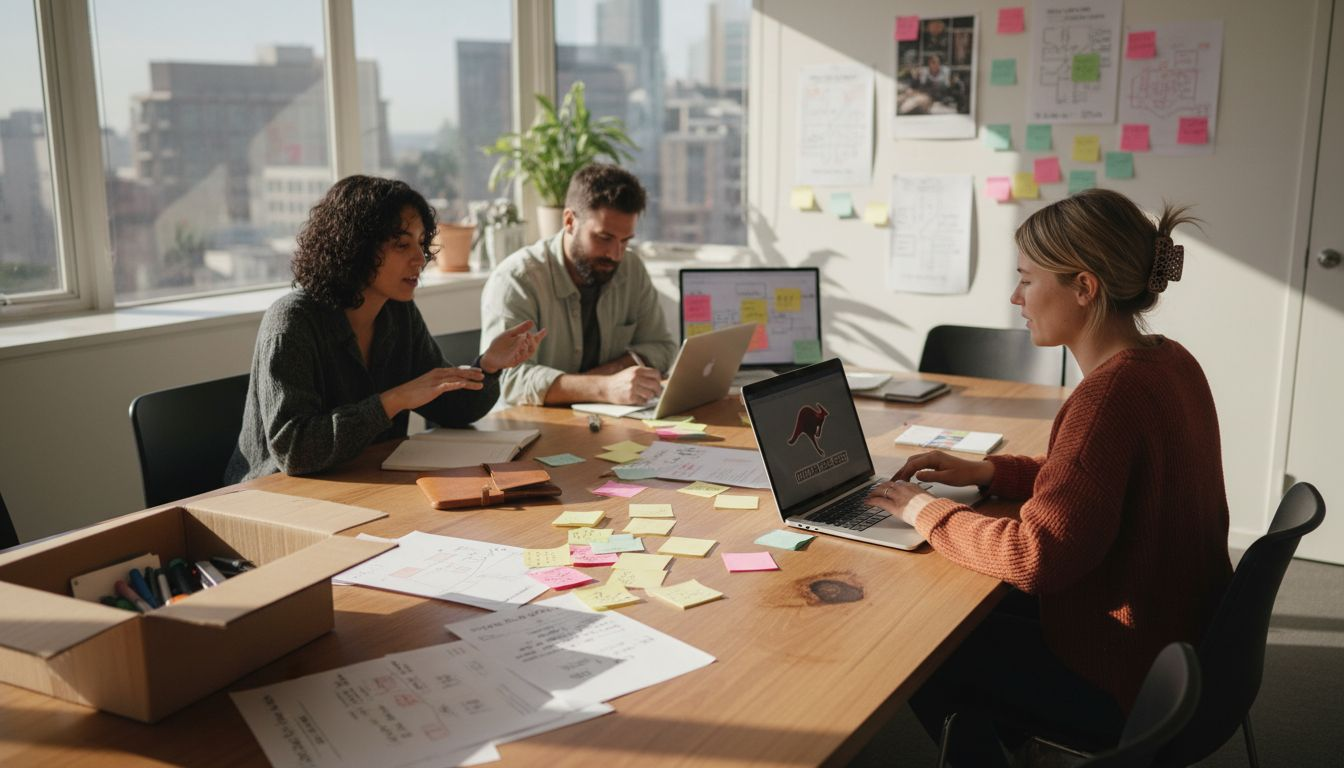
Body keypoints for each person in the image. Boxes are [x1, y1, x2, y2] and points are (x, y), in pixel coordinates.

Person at [865, 189, 1232, 766]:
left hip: (1127, 676)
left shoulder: (1107, 396)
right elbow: (1092, 478)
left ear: (1084, 288)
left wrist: (921, 511)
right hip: (1180, 646)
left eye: (1027, 280)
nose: (1016, 298)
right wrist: (991, 470)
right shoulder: (1169, 360)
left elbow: (1036, 557)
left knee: (919, 644)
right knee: (962, 609)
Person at [225, 175, 546, 483]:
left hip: (364, 479)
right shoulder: (291, 322)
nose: (420, 259)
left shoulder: (398, 313)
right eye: (401, 245)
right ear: (356, 247)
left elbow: (452, 410)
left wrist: (488, 366)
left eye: (421, 244)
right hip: (271, 496)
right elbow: (294, 451)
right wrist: (394, 400)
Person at [480, 163, 676, 406]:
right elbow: (508, 379)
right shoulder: (517, 279)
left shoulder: (631, 268)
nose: (615, 254)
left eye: (625, 241)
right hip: (531, 427)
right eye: (604, 238)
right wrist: (603, 387)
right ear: (570, 221)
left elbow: (663, 347)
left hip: (607, 424)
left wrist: (614, 371)